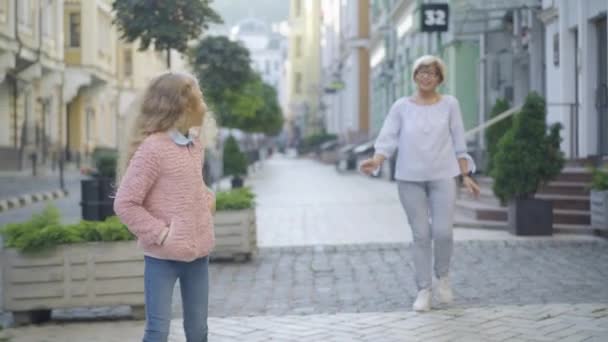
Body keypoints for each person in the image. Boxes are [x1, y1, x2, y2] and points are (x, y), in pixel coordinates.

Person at [360, 55, 480, 312]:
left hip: (443, 175)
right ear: (414, 76)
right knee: (421, 235)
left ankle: (443, 278)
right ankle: (424, 290)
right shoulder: (401, 107)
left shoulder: (450, 105)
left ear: (439, 79)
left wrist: (466, 175)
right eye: (422, 72)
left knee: (443, 232)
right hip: (409, 178)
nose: (426, 77)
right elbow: (388, 138)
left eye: (432, 73)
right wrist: (376, 159)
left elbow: (459, 143)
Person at [114, 71, 216, 341]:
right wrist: (161, 234)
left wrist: (206, 200)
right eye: (200, 99)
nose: (205, 106)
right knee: (157, 331)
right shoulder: (153, 149)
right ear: (183, 106)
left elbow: (188, 185)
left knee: (198, 330)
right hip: (162, 258)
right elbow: (126, 202)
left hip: (197, 255)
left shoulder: (195, 144)